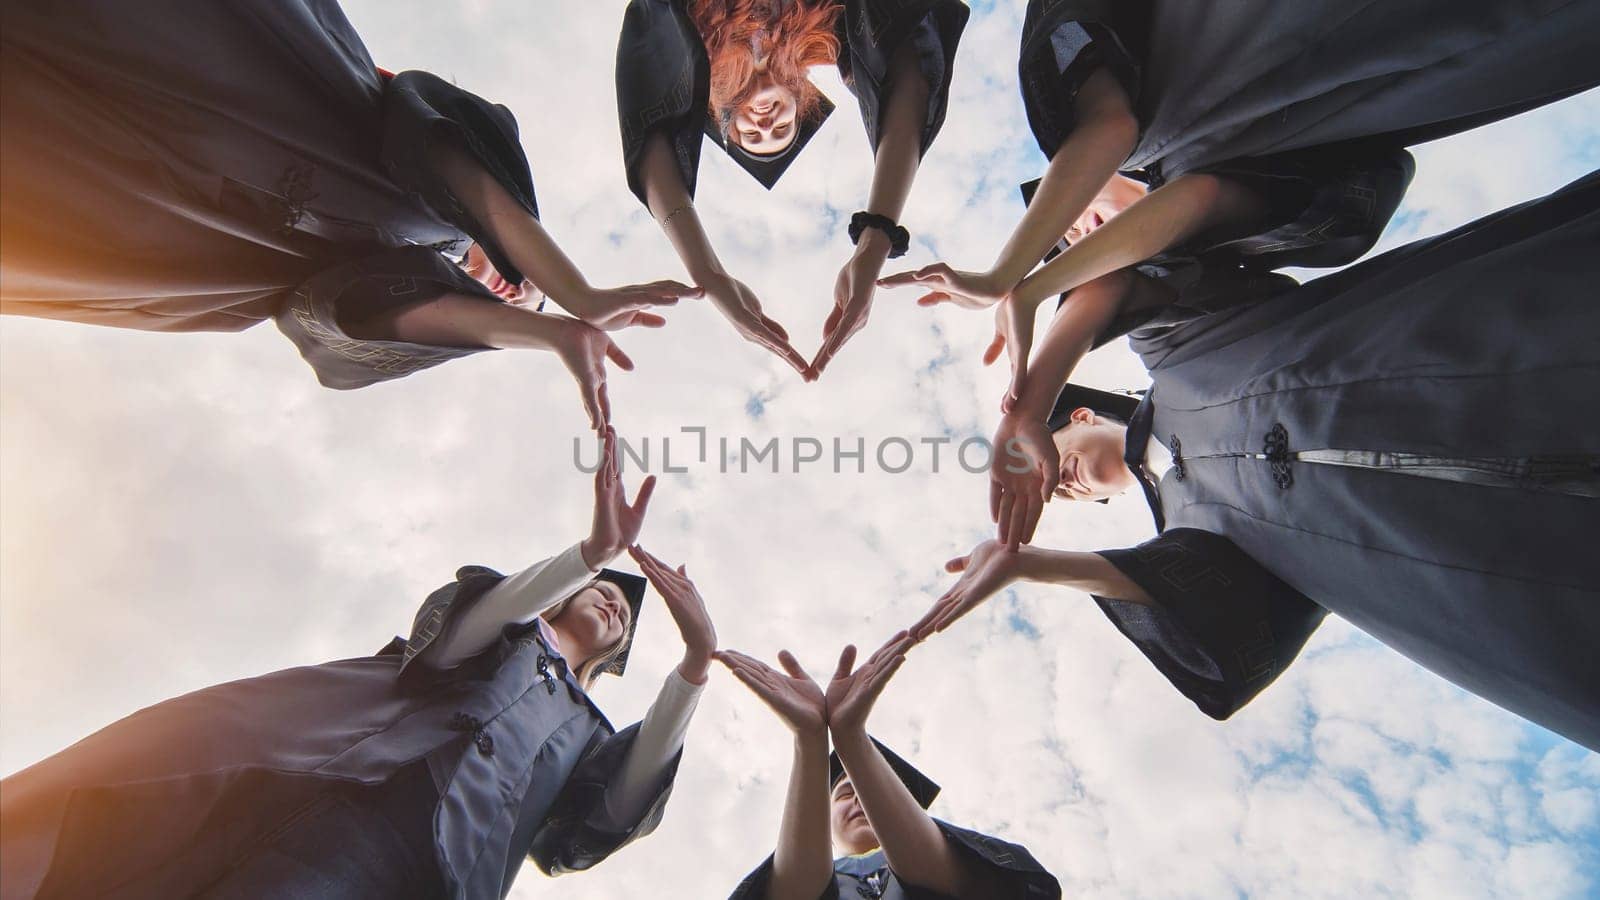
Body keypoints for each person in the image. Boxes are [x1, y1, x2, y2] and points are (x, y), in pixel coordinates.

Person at [910, 173, 1600, 752]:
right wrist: (1029, 565)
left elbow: (1128, 279)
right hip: (1523, 562)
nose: (1056, 485)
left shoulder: (1180, 351)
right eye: (1060, 499)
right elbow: (1215, 625)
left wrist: (1028, 402)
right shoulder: (1194, 542)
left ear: (1082, 416)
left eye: (1048, 461)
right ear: (1096, 507)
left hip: (1503, 342)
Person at [0, 433, 719, 899]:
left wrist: (692, 666)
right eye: (602, 592)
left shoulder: (586, 736)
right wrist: (588, 555)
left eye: (624, 619)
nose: (616, 606)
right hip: (346, 800)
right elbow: (461, 633)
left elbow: (609, 812)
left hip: (438, 878)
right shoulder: (505, 628)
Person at [0, 0, 697, 424]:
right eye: (525, 284)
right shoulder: (439, 181)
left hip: (182, 230)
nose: (516, 293)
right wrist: (574, 291)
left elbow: (354, 315)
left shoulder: (393, 281)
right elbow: (455, 163)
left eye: (521, 303)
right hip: (262, 89)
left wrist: (546, 334)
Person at [880, 0, 1600, 404]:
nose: (1085, 229)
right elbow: (1189, 208)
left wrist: (1015, 276)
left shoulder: (1083, 93)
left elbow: (1107, 132)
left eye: (1071, 224)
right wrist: (1035, 296)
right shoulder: (1233, 194)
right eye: (1085, 242)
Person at [615, 0, 969, 377]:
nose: (766, 126)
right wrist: (876, 236)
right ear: (798, 105)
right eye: (782, 129)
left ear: (723, 116)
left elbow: (652, 140)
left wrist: (710, 276)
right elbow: (910, 75)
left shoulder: (688, 33)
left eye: (751, 134)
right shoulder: (832, 22)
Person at [719, 634, 1061, 898]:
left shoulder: (957, 864)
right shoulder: (803, 873)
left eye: (864, 792)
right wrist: (809, 740)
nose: (858, 801)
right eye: (843, 794)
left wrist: (851, 738)